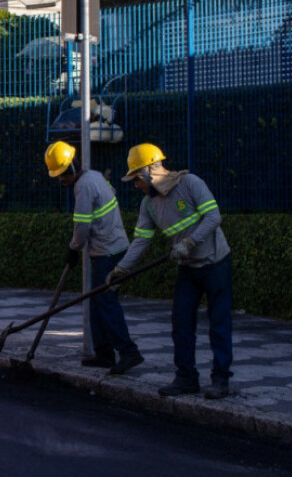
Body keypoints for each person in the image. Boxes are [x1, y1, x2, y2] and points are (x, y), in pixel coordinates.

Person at [107, 143, 233, 399]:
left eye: (136, 178)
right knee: (181, 322)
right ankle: (186, 377)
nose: (135, 185)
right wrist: (121, 269)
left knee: (219, 323)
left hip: (215, 262)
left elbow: (213, 217)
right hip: (188, 267)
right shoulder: (149, 205)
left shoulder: (191, 184)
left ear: (150, 171)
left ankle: (220, 380)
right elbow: (141, 241)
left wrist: (189, 242)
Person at [44, 141, 144, 375]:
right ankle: (104, 353)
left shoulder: (84, 187)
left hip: (108, 253)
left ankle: (129, 351)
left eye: (61, 175)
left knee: (107, 303)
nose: (61, 180)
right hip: (109, 249)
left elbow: (82, 226)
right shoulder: (94, 176)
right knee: (97, 303)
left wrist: (73, 248)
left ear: (70, 169)